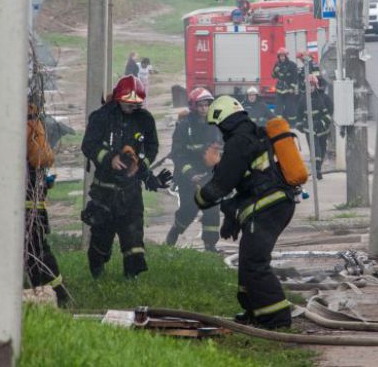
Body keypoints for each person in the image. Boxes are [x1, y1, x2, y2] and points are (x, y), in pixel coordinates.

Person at [194, 96, 296, 329]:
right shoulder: (252, 133)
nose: (219, 132)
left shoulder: (239, 142)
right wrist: (231, 215)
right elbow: (246, 182)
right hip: (273, 204)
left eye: (219, 126)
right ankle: (254, 311)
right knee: (248, 259)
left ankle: (277, 319)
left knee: (255, 263)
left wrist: (199, 198)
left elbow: (222, 183)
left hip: (268, 207)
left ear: (225, 121)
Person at [81, 75, 172, 278]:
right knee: (101, 236)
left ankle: (131, 277)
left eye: (136, 105)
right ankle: (97, 274)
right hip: (104, 189)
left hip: (131, 191)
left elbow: (152, 147)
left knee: (133, 236)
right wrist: (110, 159)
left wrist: (141, 166)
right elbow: (88, 145)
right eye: (128, 105)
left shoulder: (145, 119)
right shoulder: (102, 117)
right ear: (118, 99)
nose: (132, 109)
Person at [166, 88, 223, 252]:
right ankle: (174, 233)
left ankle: (210, 245)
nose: (204, 109)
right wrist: (191, 174)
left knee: (212, 209)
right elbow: (178, 155)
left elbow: (223, 147)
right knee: (190, 209)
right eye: (201, 105)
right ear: (193, 106)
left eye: (207, 105)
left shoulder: (215, 125)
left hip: (209, 175)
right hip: (187, 176)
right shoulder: (184, 127)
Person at [25, 102, 69, 306]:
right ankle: (48, 293)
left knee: (34, 251)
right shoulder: (36, 127)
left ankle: (55, 294)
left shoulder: (27, 128)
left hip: (27, 204)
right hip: (35, 203)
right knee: (36, 250)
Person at [297, 75, 333, 180]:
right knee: (314, 149)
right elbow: (299, 114)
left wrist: (321, 122)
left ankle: (318, 167)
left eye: (312, 85)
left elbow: (329, 112)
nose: (311, 87)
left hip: (322, 129)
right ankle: (316, 169)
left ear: (316, 85)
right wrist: (300, 125)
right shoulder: (303, 99)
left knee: (322, 149)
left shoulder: (323, 98)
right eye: (309, 85)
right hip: (309, 129)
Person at [271, 48, 298, 125]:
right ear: (278, 57)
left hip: (289, 90)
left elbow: (295, 78)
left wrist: (292, 88)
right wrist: (275, 71)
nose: (282, 58)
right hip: (279, 90)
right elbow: (273, 76)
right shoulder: (277, 64)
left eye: (283, 56)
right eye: (280, 56)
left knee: (290, 107)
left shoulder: (292, 65)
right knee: (278, 108)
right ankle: (278, 123)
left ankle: (292, 123)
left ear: (286, 56)